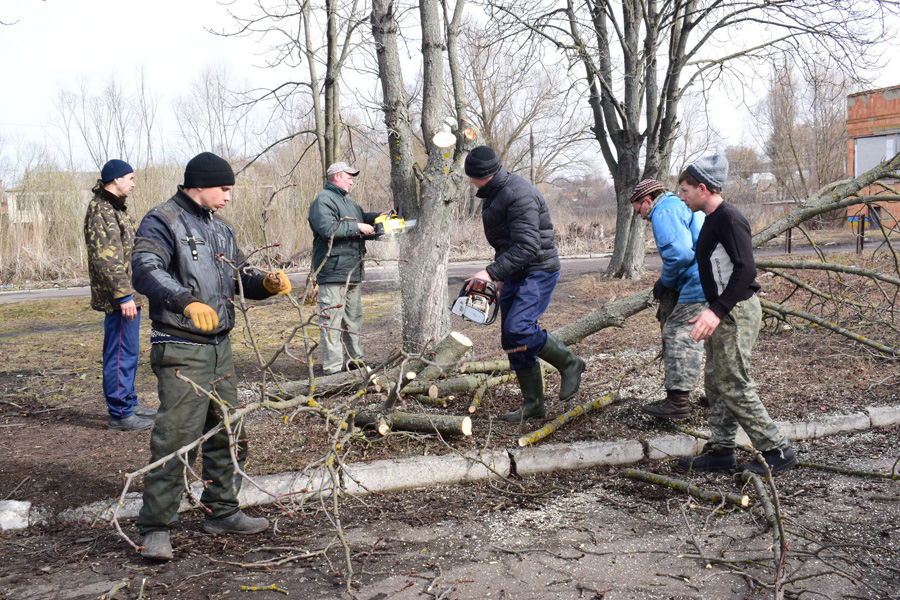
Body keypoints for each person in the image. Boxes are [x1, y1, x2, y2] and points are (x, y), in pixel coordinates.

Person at [132, 152, 292, 561]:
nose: (228, 197)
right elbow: (145, 269)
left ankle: (221, 509)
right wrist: (184, 301)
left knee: (227, 432)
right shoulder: (162, 220)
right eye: (225, 189)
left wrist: (265, 284)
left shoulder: (221, 230)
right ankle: (155, 527)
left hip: (220, 348)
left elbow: (239, 276)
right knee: (176, 437)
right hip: (182, 345)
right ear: (199, 184)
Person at [675, 153, 798, 476]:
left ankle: (777, 449)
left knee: (733, 382)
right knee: (716, 381)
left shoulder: (729, 218)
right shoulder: (711, 218)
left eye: (685, 190)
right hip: (723, 310)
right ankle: (721, 450)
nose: (681, 196)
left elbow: (745, 271)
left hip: (737, 311)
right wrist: (711, 309)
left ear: (703, 188)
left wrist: (715, 312)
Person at [463, 145, 585, 422]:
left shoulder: (519, 195)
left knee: (519, 329)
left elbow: (528, 247)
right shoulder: (494, 193)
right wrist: (503, 277)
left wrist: (490, 273)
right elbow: (506, 243)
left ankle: (570, 363)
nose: (470, 180)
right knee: (511, 339)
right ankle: (533, 405)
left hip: (538, 270)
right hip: (516, 271)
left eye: (472, 176)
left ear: (485, 174)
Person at [84, 159, 156, 431]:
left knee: (129, 351)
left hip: (129, 293)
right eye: (130, 178)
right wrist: (124, 296)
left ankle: (129, 402)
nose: (133, 184)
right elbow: (106, 259)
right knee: (119, 354)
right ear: (115, 180)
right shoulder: (102, 210)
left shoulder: (114, 207)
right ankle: (120, 413)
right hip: (119, 298)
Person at [629, 179, 707, 420]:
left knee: (678, 334)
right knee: (712, 338)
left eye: (639, 210)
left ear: (648, 200)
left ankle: (678, 403)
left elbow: (680, 254)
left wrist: (666, 282)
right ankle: (719, 395)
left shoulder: (663, 211)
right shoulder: (678, 206)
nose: (641, 218)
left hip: (697, 281)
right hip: (711, 276)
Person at [307, 161, 382, 375]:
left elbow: (362, 218)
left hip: (352, 270)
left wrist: (379, 216)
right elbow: (327, 228)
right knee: (331, 323)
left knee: (353, 320)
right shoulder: (323, 201)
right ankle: (332, 370)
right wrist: (357, 226)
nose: (352, 180)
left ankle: (355, 362)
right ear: (337, 176)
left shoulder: (348, 203)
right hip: (333, 271)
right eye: (349, 176)